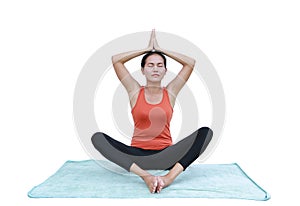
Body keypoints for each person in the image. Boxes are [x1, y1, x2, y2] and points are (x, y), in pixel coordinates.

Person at [91, 30, 213, 194]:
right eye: (150, 65)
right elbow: (116, 61)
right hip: (137, 157)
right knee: (97, 138)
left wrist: (161, 50)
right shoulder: (134, 91)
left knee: (205, 132)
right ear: (143, 70)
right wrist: (147, 49)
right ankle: (145, 176)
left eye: (159, 65)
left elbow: (190, 63)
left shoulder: (170, 92)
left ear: (164, 70)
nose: (155, 68)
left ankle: (169, 178)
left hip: (167, 156)